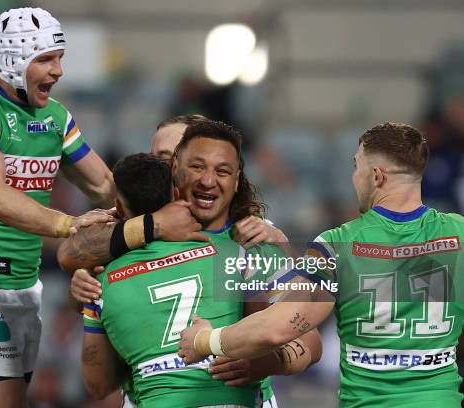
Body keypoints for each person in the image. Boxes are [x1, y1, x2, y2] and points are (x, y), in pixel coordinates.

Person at [179, 122, 464, 407]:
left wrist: (206, 340)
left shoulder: (337, 245)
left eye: (357, 167)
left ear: (376, 176)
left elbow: (280, 327)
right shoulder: (459, 233)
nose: (354, 178)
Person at [0, 7, 120, 408]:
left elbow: (104, 185)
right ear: (14, 60)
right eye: (46, 59)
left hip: (25, 287)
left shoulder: (56, 116)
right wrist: (70, 224)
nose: (58, 71)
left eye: (59, 58)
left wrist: (165, 218)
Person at [61, 121, 322, 407]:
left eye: (220, 169)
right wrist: (154, 226)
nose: (207, 180)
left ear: (236, 179)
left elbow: (308, 335)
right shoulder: (128, 230)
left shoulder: (253, 238)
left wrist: (265, 363)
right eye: (161, 157)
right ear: (175, 172)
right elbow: (69, 253)